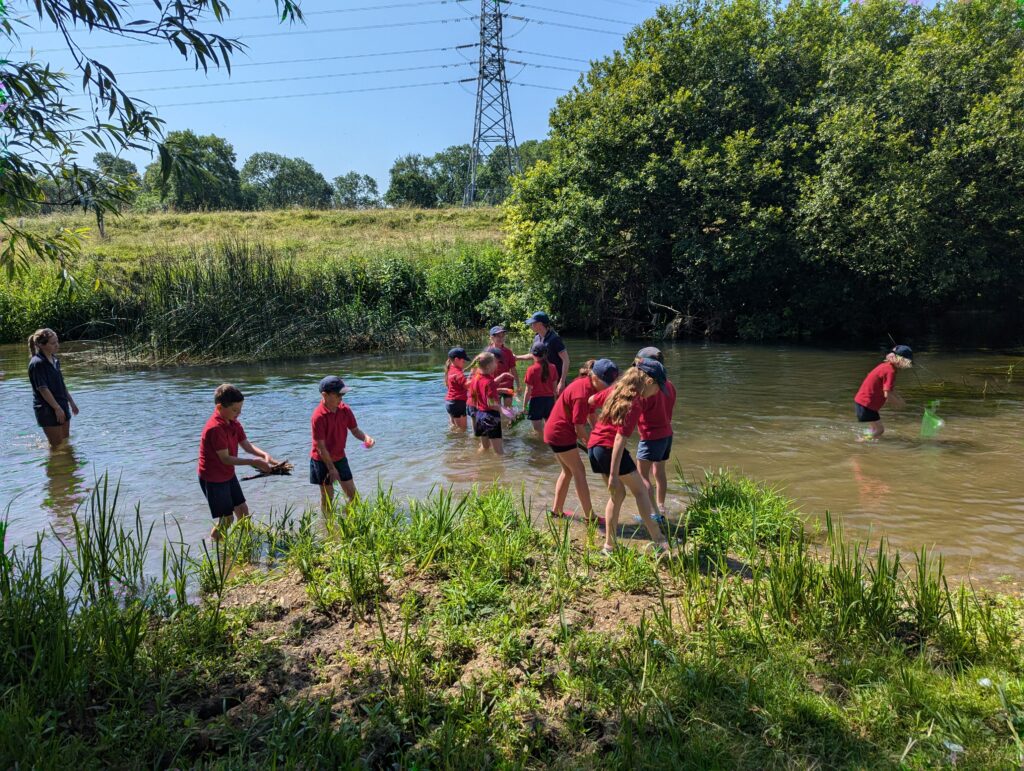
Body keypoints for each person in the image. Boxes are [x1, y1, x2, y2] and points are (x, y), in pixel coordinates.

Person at [587, 359, 673, 556]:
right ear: (649, 382)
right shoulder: (635, 402)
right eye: (659, 388)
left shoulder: (617, 388)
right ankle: (660, 542)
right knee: (641, 492)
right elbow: (619, 439)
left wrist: (607, 414)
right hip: (609, 450)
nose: (659, 392)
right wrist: (613, 474)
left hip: (595, 447)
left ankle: (609, 546)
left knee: (617, 495)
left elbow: (591, 401)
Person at [543, 358, 620, 526]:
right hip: (560, 433)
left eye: (611, 383)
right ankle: (590, 517)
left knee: (568, 471)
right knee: (579, 471)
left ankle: (556, 511)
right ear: (595, 377)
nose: (608, 387)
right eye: (606, 383)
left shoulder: (589, 385)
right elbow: (579, 427)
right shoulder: (582, 393)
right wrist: (591, 444)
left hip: (554, 431)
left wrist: (602, 435)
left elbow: (591, 415)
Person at [197, 384, 278, 541]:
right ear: (220, 407)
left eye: (240, 409)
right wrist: (253, 462)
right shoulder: (215, 428)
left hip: (227, 474)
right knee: (227, 520)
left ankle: (248, 544)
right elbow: (225, 459)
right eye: (235, 410)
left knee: (243, 510)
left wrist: (264, 455)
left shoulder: (233, 422)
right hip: (213, 478)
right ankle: (217, 547)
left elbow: (246, 446)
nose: (239, 413)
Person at [310, 376, 375, 513]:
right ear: (325, 395)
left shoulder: (345, 410)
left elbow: (355, 431)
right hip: (322, 460)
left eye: (343, 394)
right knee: (328, 497)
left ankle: (347, 520)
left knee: (354, 496)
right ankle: (328, 526)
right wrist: (331, 469)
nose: (342, 397)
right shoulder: (318, 416)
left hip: (340, 457)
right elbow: (321, 447)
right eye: (338, 394)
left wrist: (366, 438)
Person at [634, 346, 676, 523]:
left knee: (642, 476)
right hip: (667, 435)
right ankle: (661, 505)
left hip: (651, 437)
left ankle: (653, 514)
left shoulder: (646, 390)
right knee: (659, 473)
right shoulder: (670, 386)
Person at [27, 328, 80, 448]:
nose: (57, 345)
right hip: (47, 409)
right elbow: (42, 389)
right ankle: (54, 466)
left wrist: (71, 402)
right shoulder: (37, 363)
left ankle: (67, 466)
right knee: (56, 446)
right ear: (41, 345)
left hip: (62, 404)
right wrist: (57, 408)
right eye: (53, 343)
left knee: (65, 443)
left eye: (57, 341)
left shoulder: (55, 359)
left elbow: (61, 383)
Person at [854, 345, 912, 439]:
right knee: (880, 430)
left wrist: (899, 398)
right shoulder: (890, 371)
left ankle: (869, 443)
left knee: (874, 430)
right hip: (866, 404)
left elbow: (889, 389)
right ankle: (861, 441)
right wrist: (898, 403)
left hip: (862, 402)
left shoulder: (885, 366)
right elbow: (887, 394)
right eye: (907, 362)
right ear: (901, 360)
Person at [518, 312, 569, 395]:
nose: (531, 325)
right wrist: (517, 357)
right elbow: (533, 355)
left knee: (560, 406)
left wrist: (562, 382)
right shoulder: (537, 337)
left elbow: (566, 360)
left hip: (557, 380)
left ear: (540, 324)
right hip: (544, 381)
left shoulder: (554, 339)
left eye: (533, 323)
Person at [469, 351, 504, 455]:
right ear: (489, 366)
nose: (496, 364)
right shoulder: (490, 381)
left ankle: (477, 464)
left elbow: (478, 396)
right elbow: (491, 404)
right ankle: (500, 471)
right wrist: (506, 411)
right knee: (499, 452)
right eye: (494, 362)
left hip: (480, 415)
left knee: (485, 447)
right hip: (491, 417)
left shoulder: (476, 378)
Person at [522, 342, 558, 436]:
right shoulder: (553, 367)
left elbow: (528, 391)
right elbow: (554, 389)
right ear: (546, 354)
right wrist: (554, 403)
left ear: (533, 354)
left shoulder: (531, 369)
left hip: (536, 402)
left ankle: (542, 447)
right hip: (549, 401)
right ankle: (549, 446)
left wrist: (524, 407)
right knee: (548, 428)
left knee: (538, 431)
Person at [488, 325, 519, 405]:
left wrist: (518, 385)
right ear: (492, 337)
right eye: (498, 336)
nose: (501, 338)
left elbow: (513, 369)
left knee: (508, 411)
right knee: (495, 411)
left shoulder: (508, 352)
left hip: (507, 385)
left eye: (502, 336)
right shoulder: (487, 352)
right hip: (494, 385)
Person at [444, 347, 469, 431]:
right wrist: (477, 377)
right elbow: (467, 385)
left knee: (453, 428)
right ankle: (460, 444)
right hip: (458, 403)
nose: (464, 362)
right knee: (462, 430)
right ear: (456, 359)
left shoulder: (450, 369)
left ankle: (452, 443)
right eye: (463, 360)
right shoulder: (458, 373)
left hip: (450, 402)